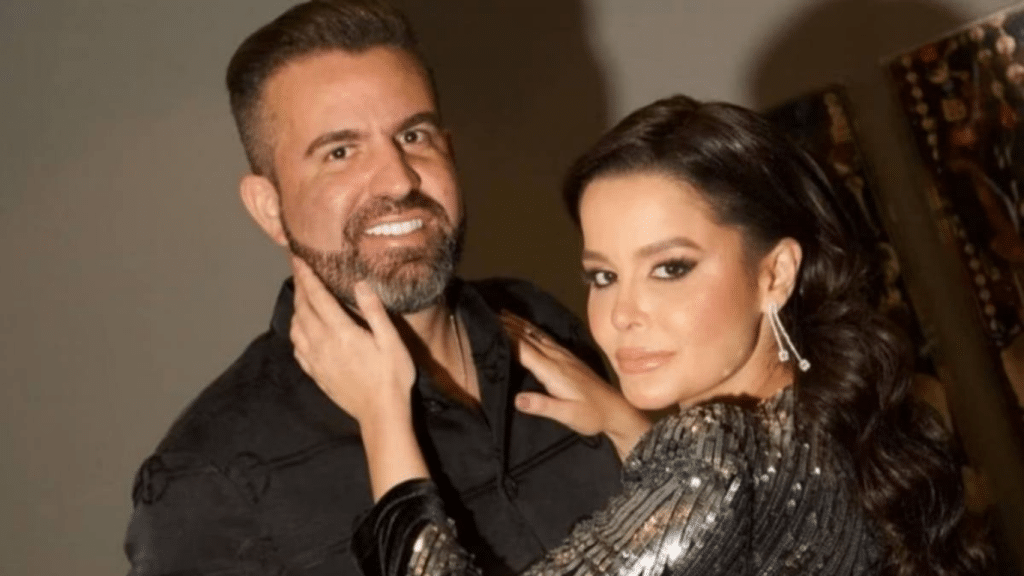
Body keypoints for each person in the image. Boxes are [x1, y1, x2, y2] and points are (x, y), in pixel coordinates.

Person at [291, 95, 993, 575]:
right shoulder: (827, 414)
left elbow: (719, 485)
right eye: (602, 276)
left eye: (670, 268)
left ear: (775, 273)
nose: (621, 314)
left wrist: (382, 412)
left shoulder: (714, 454)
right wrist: (630, 427)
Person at [122, 1, 624, 574]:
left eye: (413, 135)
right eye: (340, 152)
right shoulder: (210, 479)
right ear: (269, 208)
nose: (398, 179)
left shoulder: (542, 324)